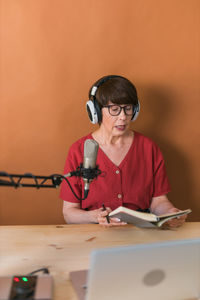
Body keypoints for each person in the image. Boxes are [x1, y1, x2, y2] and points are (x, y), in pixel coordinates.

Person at [60, 75, 187, 227]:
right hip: (94, 236)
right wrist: (95, 217)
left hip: (140, 235)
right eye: (114, 110)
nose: (123, 117)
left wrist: (170, 213)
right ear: (96, 112)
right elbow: (69, 213)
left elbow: (158, 201)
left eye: (128, 108)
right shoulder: (78, 150)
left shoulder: (148, 147)